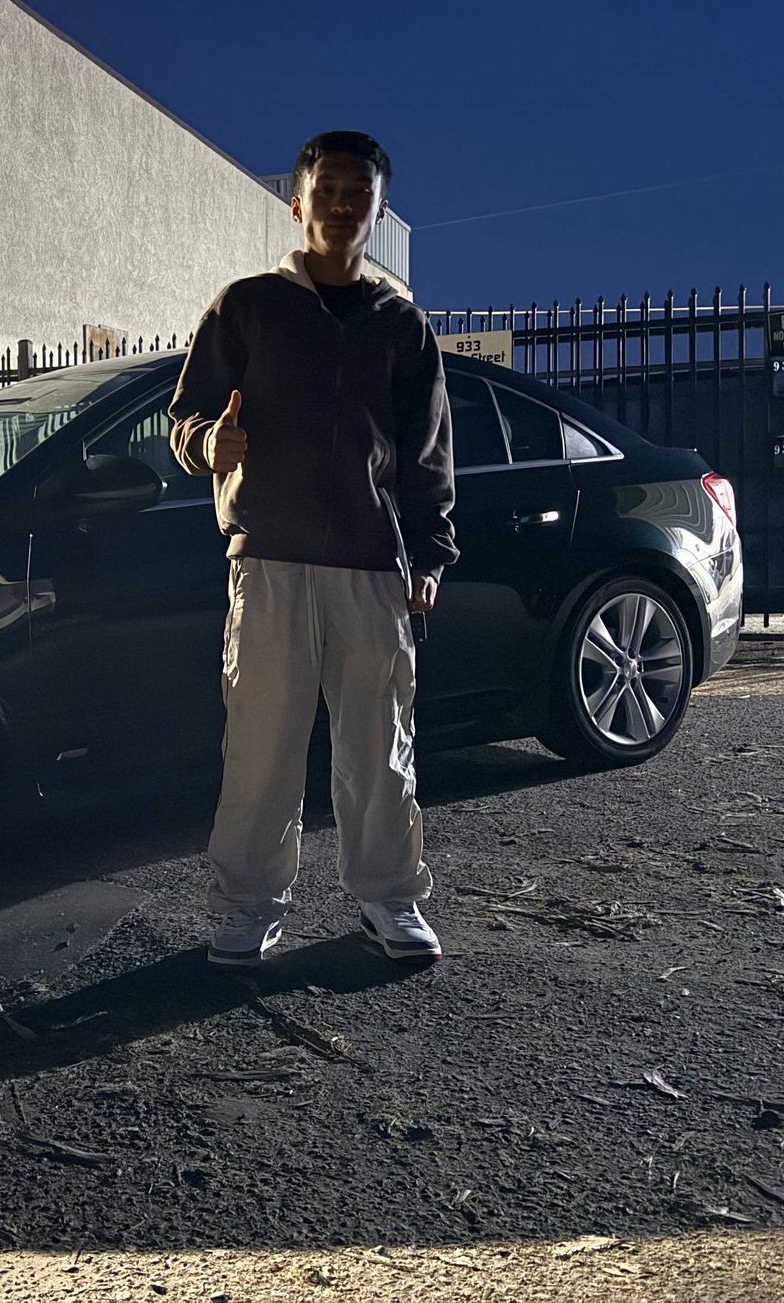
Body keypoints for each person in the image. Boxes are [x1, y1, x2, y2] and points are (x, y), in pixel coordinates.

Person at [168, 130, 457, 967]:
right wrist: (207, 444)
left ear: (378, 211)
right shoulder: (246, 306)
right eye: (326, 189)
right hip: (269, 560)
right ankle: (247, 907)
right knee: (261, 747)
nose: (340, 203)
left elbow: (428, 453)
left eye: (357, 191)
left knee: (380, 748)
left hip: (373, 567)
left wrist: (430, 557)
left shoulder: (403, 327)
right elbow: (185, 417)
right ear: (297, 204)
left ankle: (390, 900)